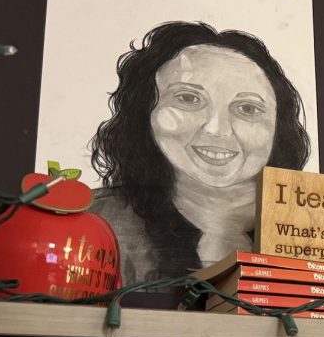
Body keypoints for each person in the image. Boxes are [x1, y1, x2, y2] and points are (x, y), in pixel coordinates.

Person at [89, 21, 310, 282]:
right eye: (188, 99)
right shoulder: (97, 221)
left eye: (248, 109)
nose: (218, 130)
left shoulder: (319, 232)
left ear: (278, 126)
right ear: (144, 110)